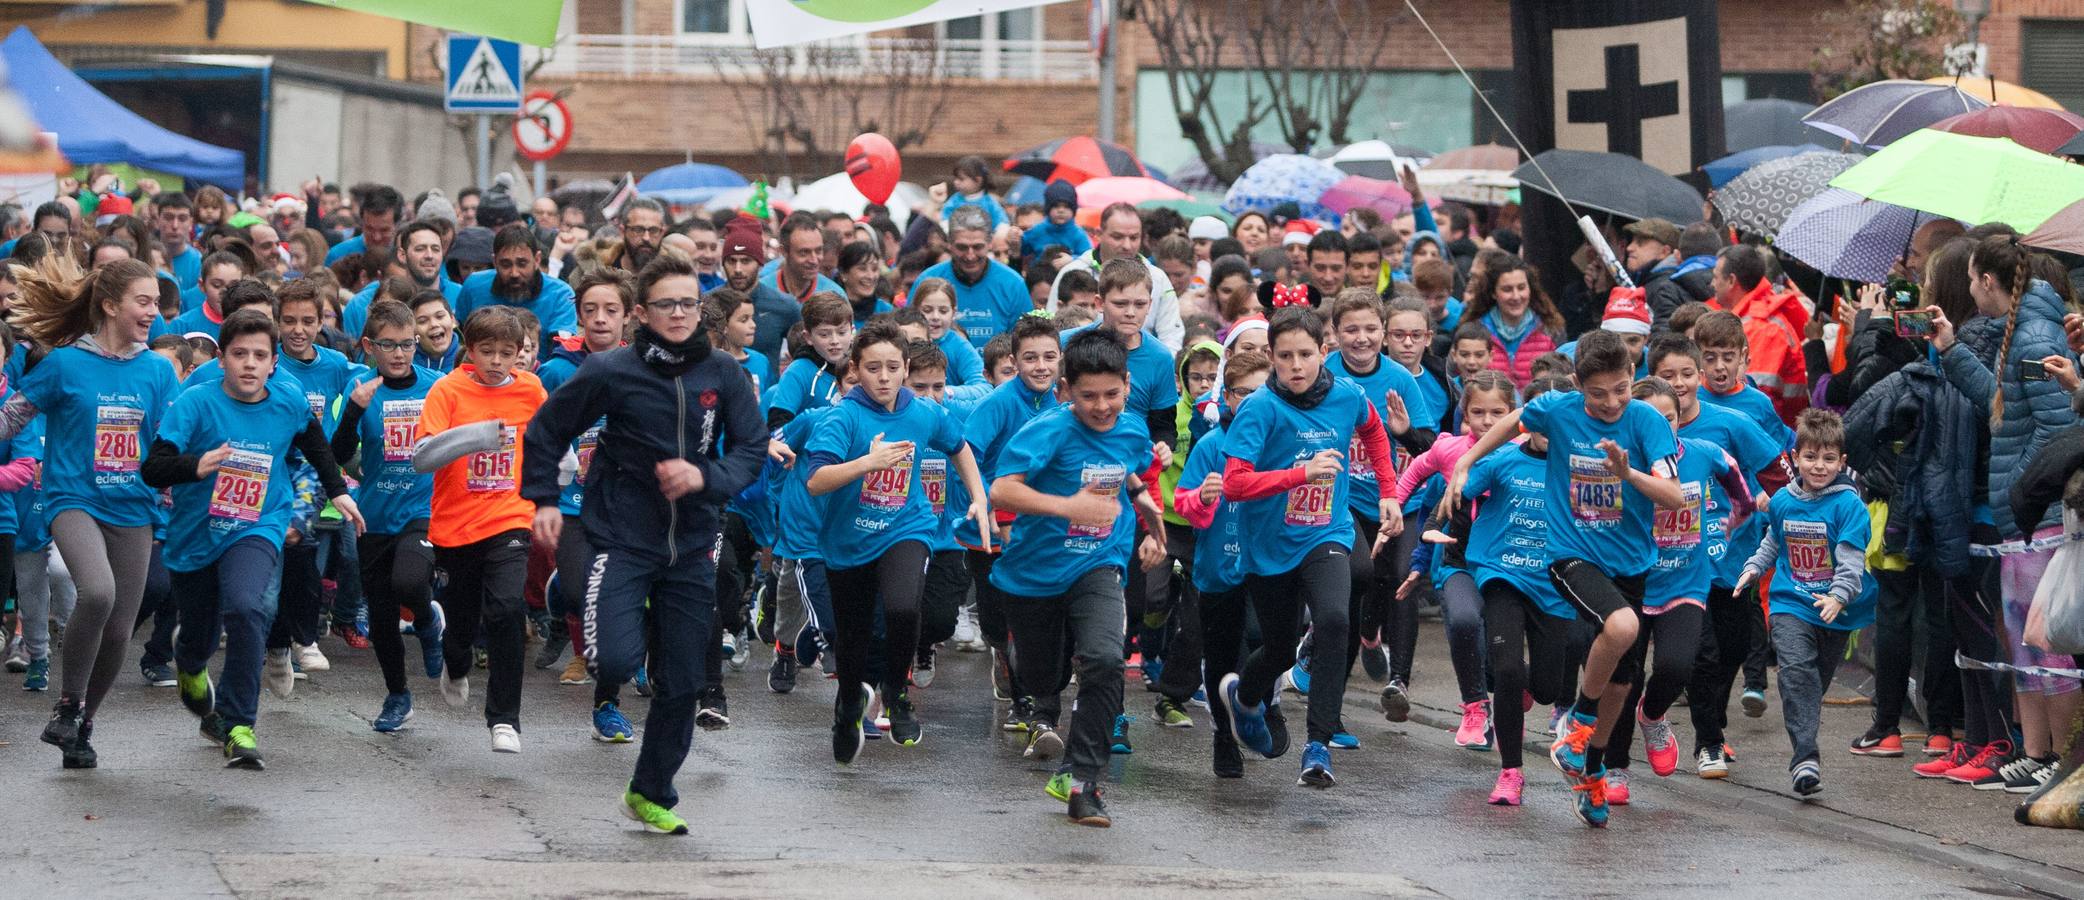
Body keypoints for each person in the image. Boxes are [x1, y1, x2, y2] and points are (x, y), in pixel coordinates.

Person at [522, 252, 766, 835]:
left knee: (681, 681)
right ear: (641, 313)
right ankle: (568, 596)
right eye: (667, 304)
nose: (680, 314)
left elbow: (751, 450)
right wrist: (546, 500)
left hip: (692, 545)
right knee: (618, 660)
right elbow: (547, 429)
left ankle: (649, 791)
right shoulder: (612, 371)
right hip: (623, 538)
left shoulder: (723, 375)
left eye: (689, 303)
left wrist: (706, 477)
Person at [1442, 330, 1684, 827]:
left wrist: (1628, 476)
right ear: (1578, 386)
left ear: (1632, 378)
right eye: (1598, 393)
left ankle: (1591, 771)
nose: (1612, 401)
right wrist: (1467, 459)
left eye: (1621, 389)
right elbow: (1514, 419)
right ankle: (1577, 723)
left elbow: (1675, 497)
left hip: (1631, 563)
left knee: (1624, 681)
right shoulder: (1558, 408)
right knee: (1621, 628)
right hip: (1570, 554)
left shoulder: (1648, 423)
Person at [144, 307, 365, 768]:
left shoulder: (287, 401)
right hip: (195, 534)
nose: (249, 363)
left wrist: (339, 493)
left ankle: (238, 722)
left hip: (257, 524)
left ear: (272, 363)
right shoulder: (195, 403)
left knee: (248, 607)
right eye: (239, 354)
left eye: (259, 355)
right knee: (198, 636)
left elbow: (317, 447)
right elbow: (152, 468)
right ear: (221, 359)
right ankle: (189, 666)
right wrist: (195, 465)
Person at [0, 257, 180, 768]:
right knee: (97, 592)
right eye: (142, 302)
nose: (153, 312)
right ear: (109, 304)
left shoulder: (157, 372)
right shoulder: (63, 363)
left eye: (155, 303)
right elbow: (12, 418)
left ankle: (83, 726)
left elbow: (170, 442)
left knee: (121, 628)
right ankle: (67, 703)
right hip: (73, 499)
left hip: (134, 507)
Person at [1217, 307, 1399, 789]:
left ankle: (1318, 745)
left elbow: (1375, 432)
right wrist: (1301, 474)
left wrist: (1388, 491)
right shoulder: (1259, 407)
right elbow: (1235, 484)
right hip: (1270, 545)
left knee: (1336, 620)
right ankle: (1246, 698)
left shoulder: (1346, 395)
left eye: (1305, 355)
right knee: (1277, 649)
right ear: (1270, 358)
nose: (1295, 366)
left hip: (1327, 533)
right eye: (1284, 357)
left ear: (1325, 352)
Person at [990, 327, 1167, 825]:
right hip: (1033, 574)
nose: (1102, 406)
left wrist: (1148, 513)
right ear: (1065, 390)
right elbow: (1002, 491)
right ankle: (1031, 687)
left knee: (1107, 659)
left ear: (1127, 385)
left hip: (1099, 562)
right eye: (1088, 396)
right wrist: (1067, 506)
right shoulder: (1047, 431)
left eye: (1112, 393)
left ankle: (1083, 780)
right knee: (1044, 677)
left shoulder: (1131, 428)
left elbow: (1127, 470)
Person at [1926, 235, 2081, 788]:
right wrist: (1949, 348)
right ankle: (2036, 753)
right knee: (2022, 638)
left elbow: (2061, 427)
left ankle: (2064, 761)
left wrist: (2019, 488)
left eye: (1971, 279)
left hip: (2037, 516)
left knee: (2047, 642)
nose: (1968, 289)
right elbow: (2000, 401)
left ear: (1989, 282)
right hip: (2022, 516)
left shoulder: (2036, 334)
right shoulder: (2020, 331)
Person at [805, 321, 989, 759]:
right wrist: (867, 463)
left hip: (907, 527)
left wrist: (980, 498)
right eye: (872, 368)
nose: (884, 377)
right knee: (851, 638)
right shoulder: (844, 416)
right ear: (856, 369)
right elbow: (816, 479)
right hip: (848, 540)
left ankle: (896, 690)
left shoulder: (922, 411)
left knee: (905, 608)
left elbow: (958, 446)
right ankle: (849, 704)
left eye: (892, 367)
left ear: (906, 368)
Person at [1596, 376, 1752, 803]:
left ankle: (1654, 715)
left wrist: (1735, 517)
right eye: (1653, 420)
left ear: (1680, 419)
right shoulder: (1618, 465)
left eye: (1670, 418)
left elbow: (1739, 485)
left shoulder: (1703, 454)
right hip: (1632, 585)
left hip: (1686, 582)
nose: (1663, 427)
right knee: (1623, 680)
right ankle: (1615, 769)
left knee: (1677, 667)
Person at [411, 305, 547, 754]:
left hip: (511, 515)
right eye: (486, 351)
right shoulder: (447, 391)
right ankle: (456, 661)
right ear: (469, 350)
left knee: (508, 608)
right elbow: (423, 457)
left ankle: (505, 719)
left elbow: (549, 442)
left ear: (519, 354)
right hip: (455, 524)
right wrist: (480, 436)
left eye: (506, 353)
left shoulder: (530, 389)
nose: (495, 361)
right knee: (462, 622)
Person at [1736, 408, 1877, 797]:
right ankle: (1804, 759)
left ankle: (1804, 748)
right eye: (1810, 457)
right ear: (1795, 458)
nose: (1819, 466)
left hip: (1836, 608)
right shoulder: (1782, 500)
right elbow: (1773, 542)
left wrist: (1837, 596)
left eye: (1829, 458)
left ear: (1842, 462)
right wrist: (1753, 568)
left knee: (1812, 684)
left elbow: (1851, 559)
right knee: (1795, 672)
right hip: (1790, 601)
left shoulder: (1849, 506)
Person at [1455, 372, 1573, 805]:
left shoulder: (1578, 466)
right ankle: (1510, 772)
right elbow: (1459, 487)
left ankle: (1524, 688)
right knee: (1506, 671)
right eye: (1535, 419)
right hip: (1503, 575)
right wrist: (1449, 493)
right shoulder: (1502, 459)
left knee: (1544, 687)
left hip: (1555, 583)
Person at [330, 299, 446, 733]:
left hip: (423, 510)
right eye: (389, 345)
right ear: (368, 346)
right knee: (380, 617)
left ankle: (429, 618)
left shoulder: (437, 387)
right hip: (374, 514)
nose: (399, 354)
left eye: (407, 344)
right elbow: (338, 455)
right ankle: (398, 696)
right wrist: (356, 409)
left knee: (410, 582)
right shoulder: (360, 389)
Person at [1322, 289, 1436, 727]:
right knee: (1357, 577)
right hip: (1343, 500)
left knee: (1404, 573)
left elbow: (1428, 449)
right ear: (1334, 334)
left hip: (1399, 498)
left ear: (1383, 333)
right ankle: (1336, 661)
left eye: (1371, 329)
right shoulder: (1325, 374)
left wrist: (1405, 432)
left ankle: (1399, 680)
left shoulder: (1401, 379)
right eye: (1351, 329)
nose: (1362, 338)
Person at [1390, 370, 1517, 746]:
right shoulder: (1450, 449)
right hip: (1457, 558)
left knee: (1502, 646)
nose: (1488, 422)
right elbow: (1415, 471)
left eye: (1498, 413)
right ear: (1465, 414)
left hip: (1509, 563)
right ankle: (1475, 706)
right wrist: (1394, 506)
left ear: (1514, 413)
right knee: (1463, 621)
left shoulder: (1523, 451)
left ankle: (1513, 683)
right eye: (1478, 412)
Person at [960, 314, 1063, 727]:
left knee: (1033, 618)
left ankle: (1028, 702)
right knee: (997, 621)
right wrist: (987, 501)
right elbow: (965, 454)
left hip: (1042, 528)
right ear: (1015, 361)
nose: (1041, 366)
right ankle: (1002, 657)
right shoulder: (999, 402)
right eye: (1030, 358)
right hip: (990, 530)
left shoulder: (1064, 403)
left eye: (1049, 357)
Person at [1176, 349, 1271, 777]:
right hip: (1217, 568)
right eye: (1241, 393)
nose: (1251, 401)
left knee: (1261, 636)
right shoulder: (1212, 446)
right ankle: (1223, 737)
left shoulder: (1278, 441)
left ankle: (1262, 706)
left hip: (1267, 564)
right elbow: (1183, 504)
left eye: (1261, 392)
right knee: (1219, 658)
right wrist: (1204, 497)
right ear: (1227, 397)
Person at [1046, 204, 1185, 352]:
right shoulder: (1072, 271)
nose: (1127, 245)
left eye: (1134, 237)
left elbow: (1172, 337)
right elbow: (1051, 328)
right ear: (1099, 234)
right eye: (1118, 237)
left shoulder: (1158, 277)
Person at [1710, 244, 1808, 426]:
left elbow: (1756, 399)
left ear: (1731, 281)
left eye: (1715, 277)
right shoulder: (1754, 319)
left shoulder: (1760, 327)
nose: (1712, 284)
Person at [919, 207, 1031, 350]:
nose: (970, 255)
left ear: (990, 243)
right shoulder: (928, 280)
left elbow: (1025, 343)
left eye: (977, 247)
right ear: (950, 244)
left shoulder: (1013, 284)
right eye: (962, 247)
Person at [453, 223, 578, 342]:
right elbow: (459, 337)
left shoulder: (560, 294)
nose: (514, 273)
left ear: (537, 260)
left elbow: (563, 351)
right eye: (505, 265)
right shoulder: (474, 286)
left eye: (522, 264)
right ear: (495, 262)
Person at [1463, 256, 1563, 389]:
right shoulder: (1473, 330)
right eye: (1507, 289)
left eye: (1521, 288)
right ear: (1493, 292)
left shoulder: (1551, 329)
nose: (1516, 296)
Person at [907, 278, 985, 386]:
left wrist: (945, 392)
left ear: (953, 312)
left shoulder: (959, 346)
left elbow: (983, 386)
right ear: (915, 310)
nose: (935, 317)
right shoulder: (902, 340)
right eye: (927, 310)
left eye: (943, 311)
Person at [1021, 180, 1090, 264]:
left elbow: (1089, 258)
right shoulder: (1038, 230)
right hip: (1040, 275)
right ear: (1048, 209)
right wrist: (1016, 238)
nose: (1061, 210)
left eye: (1067, 206)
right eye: (1056, 206)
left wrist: (1072, 260)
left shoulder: (1078, 235)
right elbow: (1022, 249)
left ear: (1073, 210)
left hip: (1068, 275)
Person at [940, 155, 1010, 232]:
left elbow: (1002, 223)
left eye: (961, 179)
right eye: (955, 178)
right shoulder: (954, 201)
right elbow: (944, 220)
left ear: (978, 180)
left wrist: (1000, 234)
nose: (956, 182)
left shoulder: (990, 203)